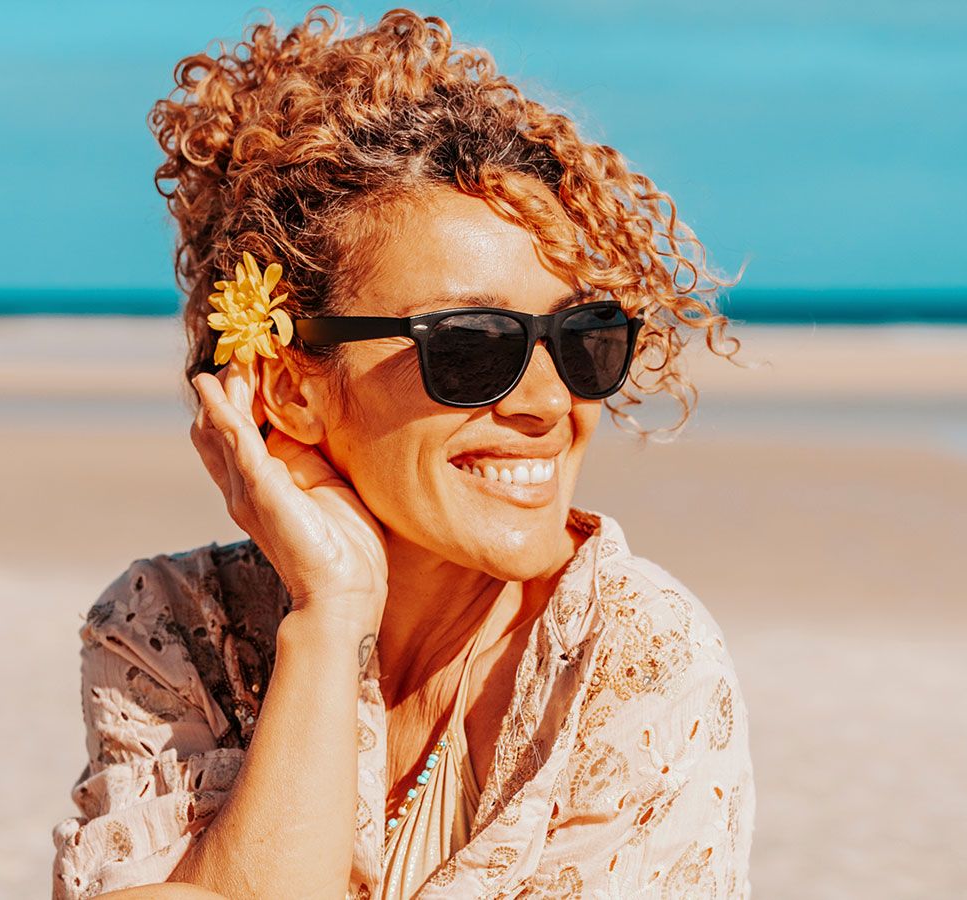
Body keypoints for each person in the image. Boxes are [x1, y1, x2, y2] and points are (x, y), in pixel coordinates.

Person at [50, 6, 755, 898]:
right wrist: (331, 616)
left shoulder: (632, 655)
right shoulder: (177, 628)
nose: (548, 402)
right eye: (471, 347)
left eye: (583, 340)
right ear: (289, 385)